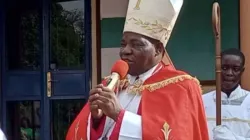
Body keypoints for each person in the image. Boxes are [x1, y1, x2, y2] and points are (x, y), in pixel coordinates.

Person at [66, 0, 209, 139]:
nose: (125, 51)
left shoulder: (181, 87)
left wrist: (118, 114)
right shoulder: (112, 84)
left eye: (137, 45)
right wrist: (97, 119)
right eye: (123, 44)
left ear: (158, 50)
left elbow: (177, 135)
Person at [203, 48, 250, 140]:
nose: (229, 73)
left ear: (242, 71)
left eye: (235, 69)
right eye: (224, 68)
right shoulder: (202, 102)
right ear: (217, 69)